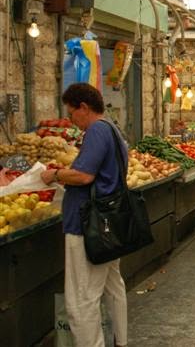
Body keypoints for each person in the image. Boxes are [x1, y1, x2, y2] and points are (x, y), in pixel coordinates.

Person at [40, 83, 128, 347]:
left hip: (88, 227)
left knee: (82, 299)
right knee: (113, 287)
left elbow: (83, 175)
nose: (71, 120)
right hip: (109, 224)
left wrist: (54, 174)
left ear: (84, 108)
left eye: (71, 114)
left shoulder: (96, 131)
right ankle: (120, 342)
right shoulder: (113, 129)